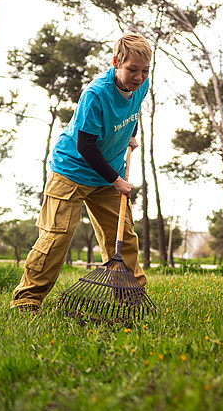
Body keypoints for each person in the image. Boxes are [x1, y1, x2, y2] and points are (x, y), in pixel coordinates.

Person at [11, 32, 152, 312]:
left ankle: (131, 296)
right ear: (116, 62)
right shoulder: (96, 94)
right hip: (72, 171)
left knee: (123, 235)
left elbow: (132, 113)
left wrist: (131, 135)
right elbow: (86, 145)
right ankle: (27, 300)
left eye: (145, 70)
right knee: (56, 236)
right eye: (132, 70)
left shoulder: (141, 86)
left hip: (107, 171)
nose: (138, 77)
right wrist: (118, 181)